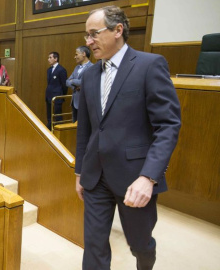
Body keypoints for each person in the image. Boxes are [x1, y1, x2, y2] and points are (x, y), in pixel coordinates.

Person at [75, 6, 181, 270]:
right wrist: (80, 171)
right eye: (86, 36)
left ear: (118, 30)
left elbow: (167, 125)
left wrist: (149, 177)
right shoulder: (88, 75)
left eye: (93, 34)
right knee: (94, 246)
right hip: (95, 177)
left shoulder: (149, 65)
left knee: (139, 243)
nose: (88, 42)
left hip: (136, 177)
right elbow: (86, 130)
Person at [66, 46, 92, 122]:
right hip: (74, 101)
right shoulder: (76, 67)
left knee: (83, 124)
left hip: (84, 102)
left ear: (83, 54)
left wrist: (73, 80)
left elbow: (84, 82)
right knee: (74, 125)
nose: (75, 57)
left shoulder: (91, 67)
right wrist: (75, 86)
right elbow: (67, 82)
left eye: (76, 54)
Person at [45, 51, 67, 129]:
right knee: (49, 116)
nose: (48, 59)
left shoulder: (61, 70)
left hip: (57, 96)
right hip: (49, 96)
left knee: (58, 116)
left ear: (56, 59)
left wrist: (62, 96)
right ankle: (49, 130)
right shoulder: (49, 70)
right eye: (48, 57)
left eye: (50, 57)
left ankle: (58, 132)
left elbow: (64, 85)